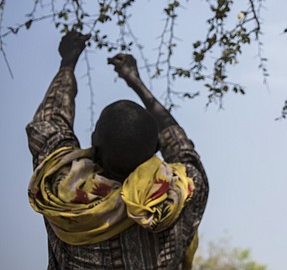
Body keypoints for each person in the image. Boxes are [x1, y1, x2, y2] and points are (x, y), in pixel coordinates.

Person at [27, 31, 209, 269]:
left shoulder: (59, 190)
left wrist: (68, 63)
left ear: (94, 144)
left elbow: (48, 124)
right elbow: (181, 147)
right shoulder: (181, 193)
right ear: (156, 148)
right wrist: (136, 82)